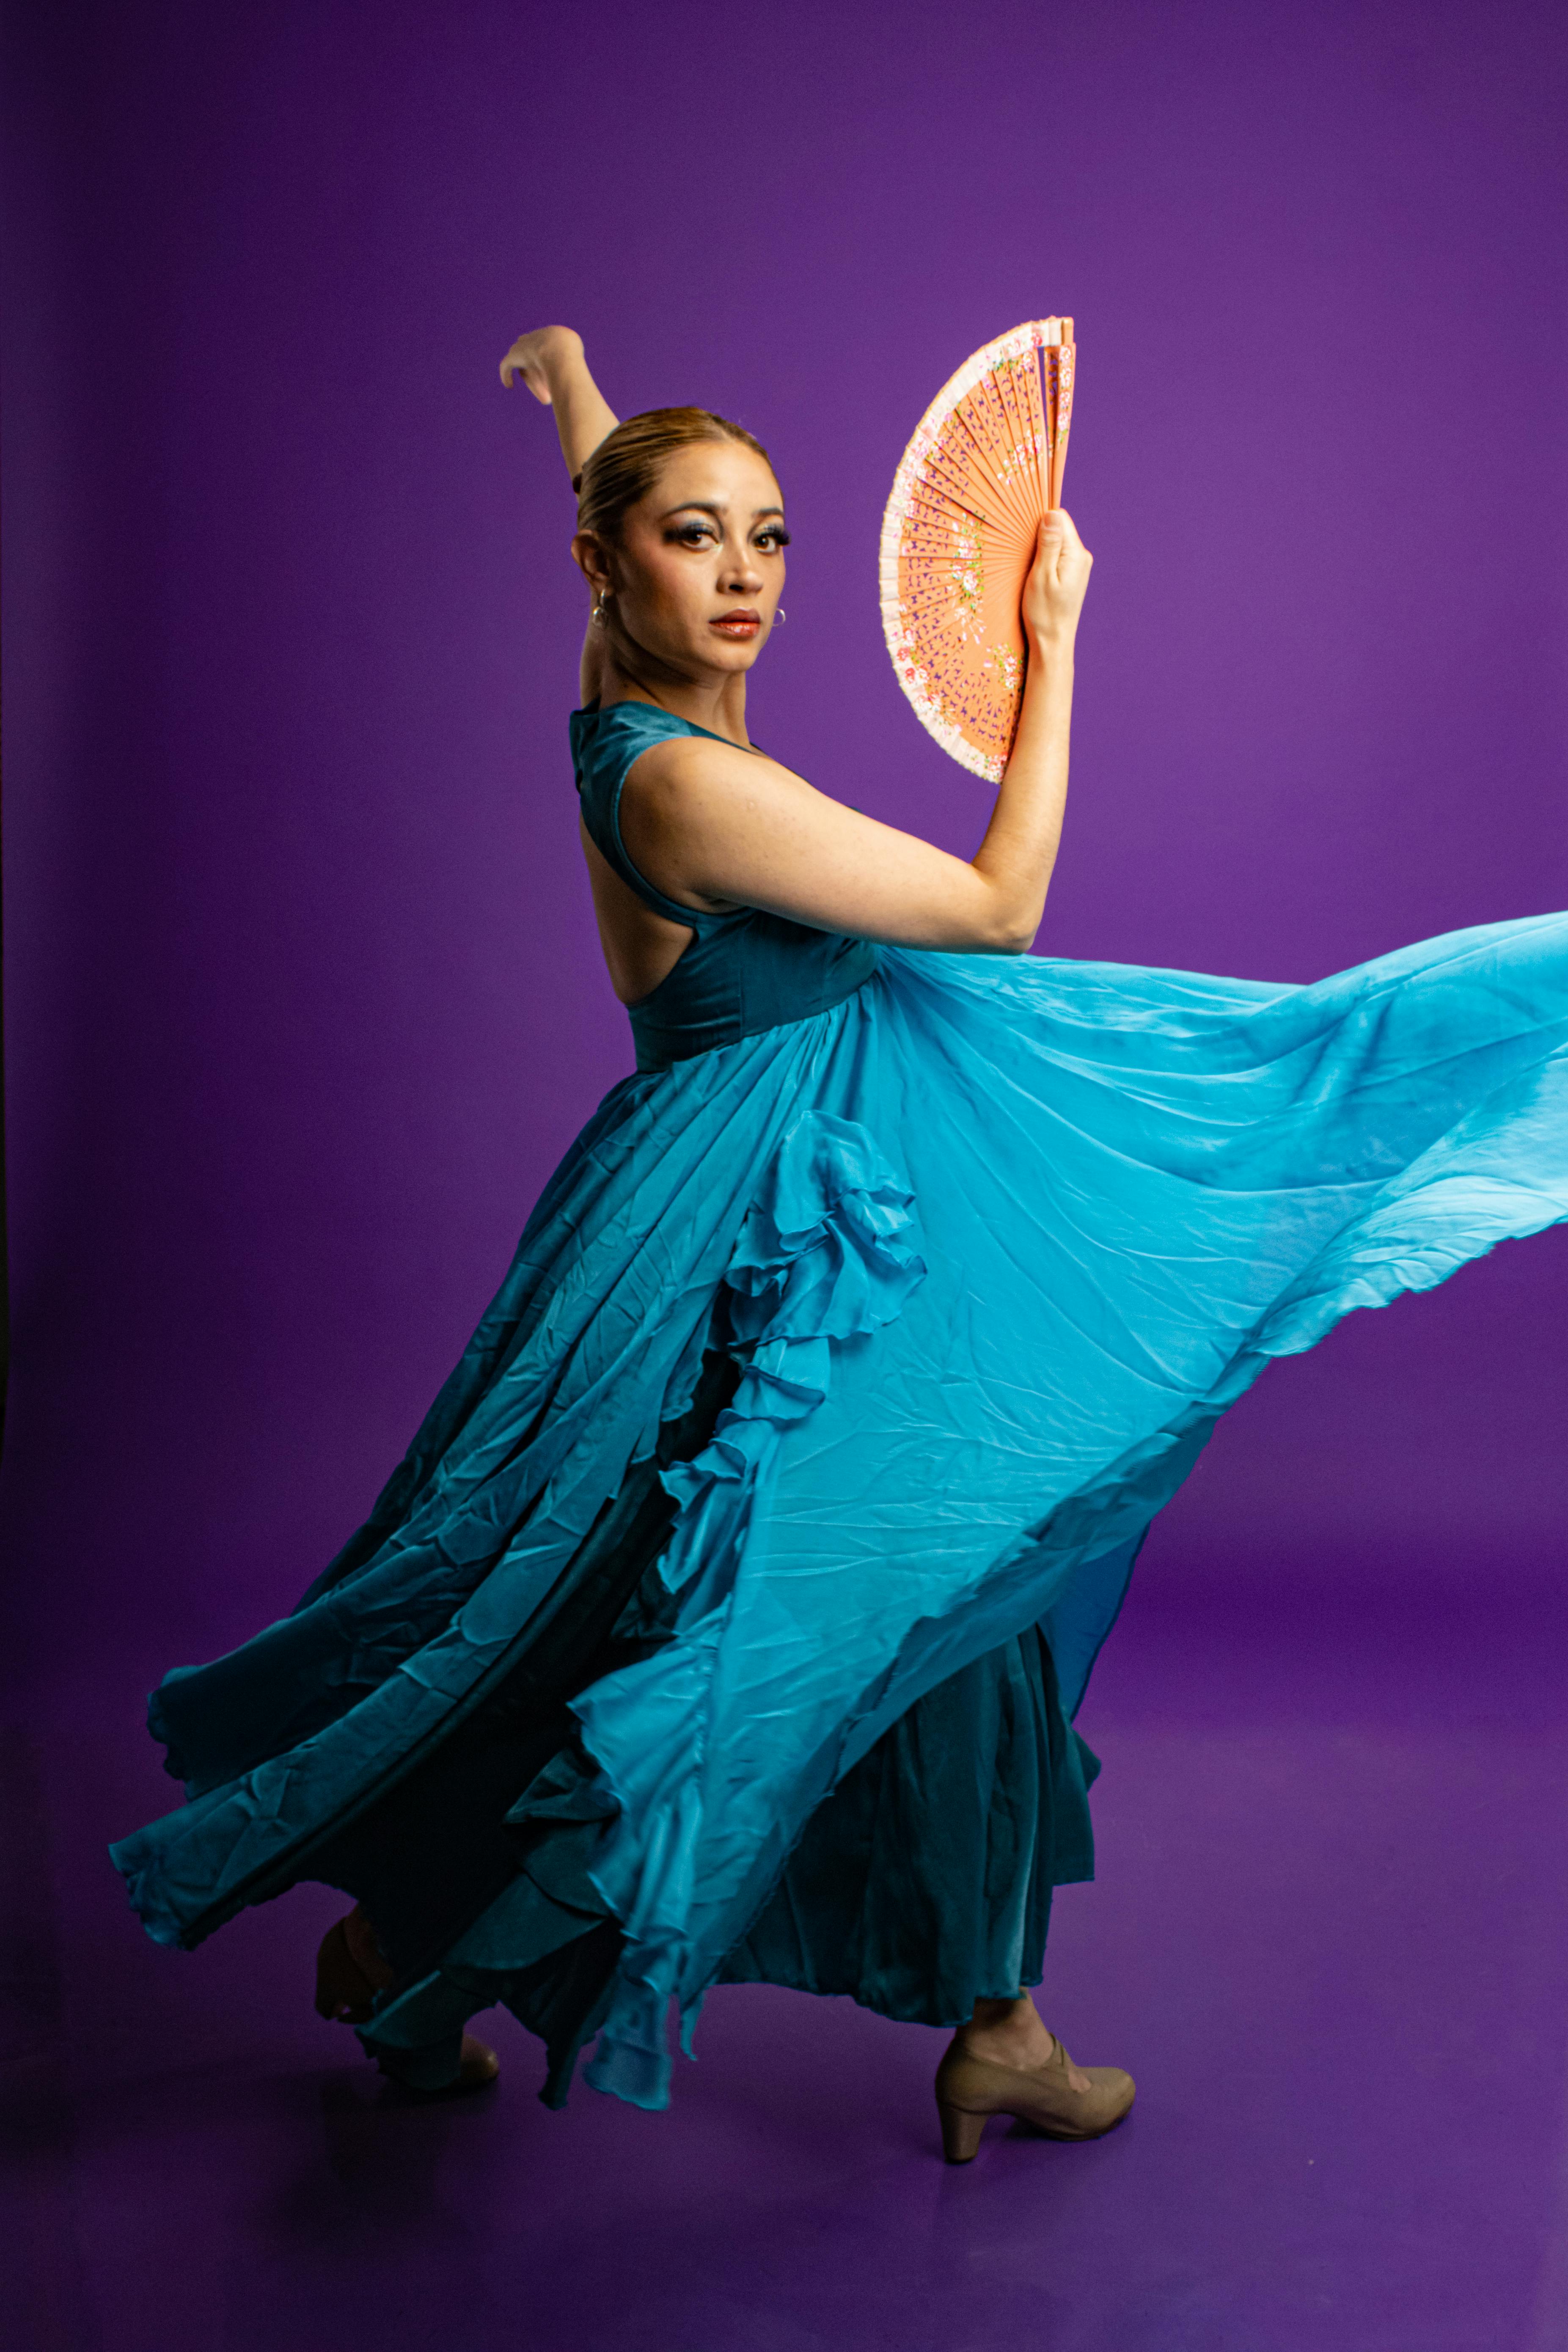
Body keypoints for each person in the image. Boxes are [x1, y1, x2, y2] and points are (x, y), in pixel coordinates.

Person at [111, 324, 1568, 2164]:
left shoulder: (616, 686)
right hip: (753, 1234)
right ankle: (427, 1950)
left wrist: (572, 388)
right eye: (694, 538)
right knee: (673, 1608)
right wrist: (1051, 645)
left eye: (768, 536)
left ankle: (985, 2020)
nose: (742, 576)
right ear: (608, 567)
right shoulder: (686, 786)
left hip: (793, 1189)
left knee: (924, 1562)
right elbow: (997, 910)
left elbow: (604, 498)